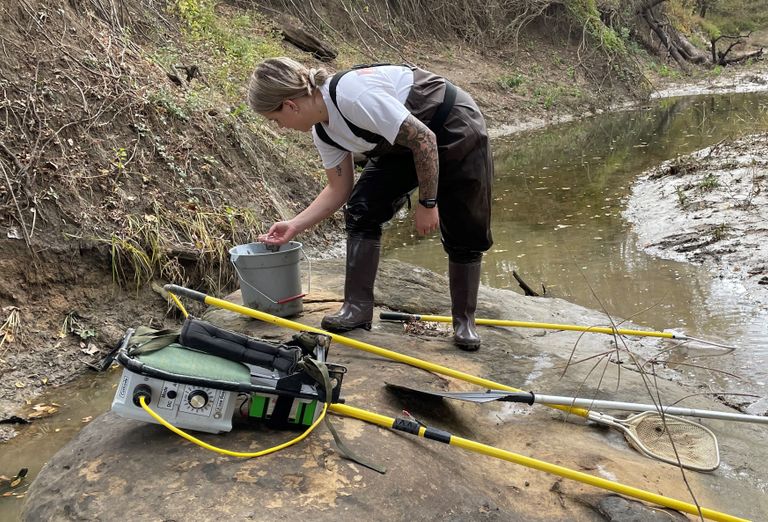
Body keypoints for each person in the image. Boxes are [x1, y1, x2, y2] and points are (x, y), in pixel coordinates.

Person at [248, 57, 493, 351]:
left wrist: (428, 203)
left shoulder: (353, 94)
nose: (280, 127)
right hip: (407, 143)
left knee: (465, 225)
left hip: (453, 125)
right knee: (362, 208)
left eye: (276, 120)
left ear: (290, 105)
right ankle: (357, 307)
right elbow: (339, 189)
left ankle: (464, 321)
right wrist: (295, 225)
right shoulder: (324, 131)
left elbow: (425, 139)